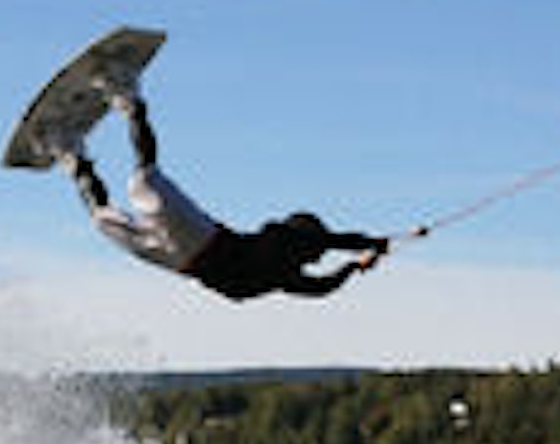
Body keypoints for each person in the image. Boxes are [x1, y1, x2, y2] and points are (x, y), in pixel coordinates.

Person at [59, 81, 390, 302]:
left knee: (102, 222)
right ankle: (129, 98)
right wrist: (369, 250)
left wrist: (358, 262)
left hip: (183, 265)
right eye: (316, 248)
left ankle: (72, 155)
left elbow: (324, 285)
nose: (318, 254)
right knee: (145, 183)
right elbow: (339, 243)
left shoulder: (286, 276)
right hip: (203, 240)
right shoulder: (288, 242)